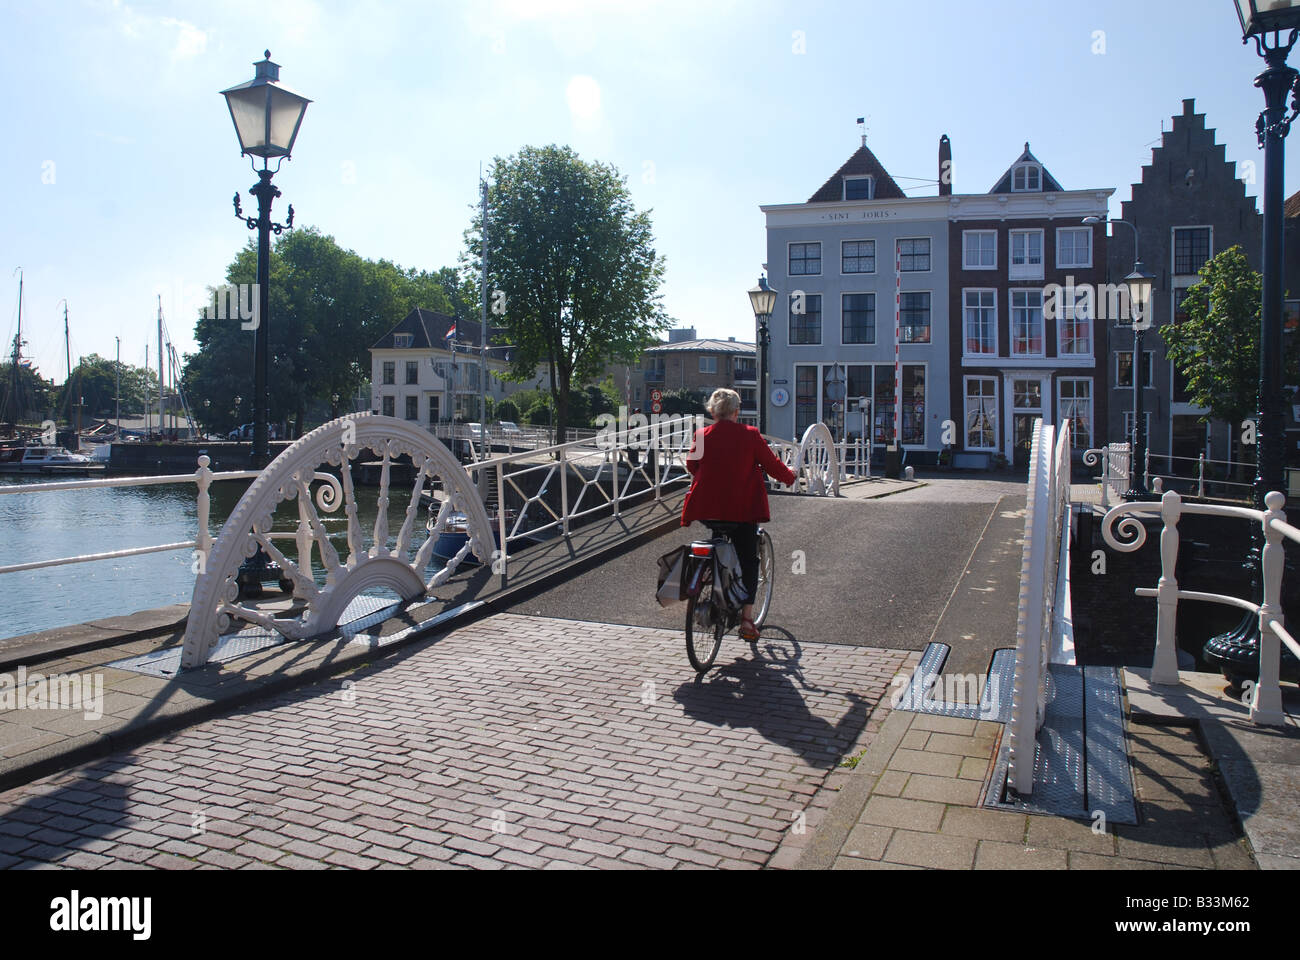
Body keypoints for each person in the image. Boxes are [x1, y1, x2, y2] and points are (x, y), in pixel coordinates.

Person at [681, 388, 797, 640]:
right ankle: (746, 620)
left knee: (718, 541)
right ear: (736, 412)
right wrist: (790, 476)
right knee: (748, 560)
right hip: (742, 511)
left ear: (712, 411)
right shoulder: (750, 435)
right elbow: (772, 465)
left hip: (707, 509)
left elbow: (691, 466)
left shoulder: (701, 435)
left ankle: (712, 583)